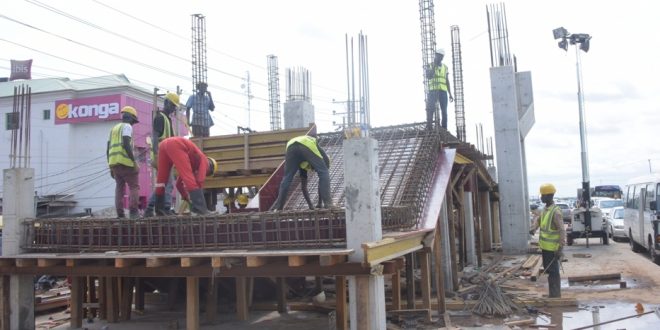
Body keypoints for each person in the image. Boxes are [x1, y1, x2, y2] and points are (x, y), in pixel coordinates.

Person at [154, 136, 219, 215]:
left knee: (161, 180)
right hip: (176, 144)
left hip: (163, 145)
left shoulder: (192, 163)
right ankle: (200, 209)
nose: (206, 174)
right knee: (189, 179)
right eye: (207, 174)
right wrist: (199, 200)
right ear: (210, 169)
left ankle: (159, 210)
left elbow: (178, 184)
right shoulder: (205, 161)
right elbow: (200, 180)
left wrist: (186, 197)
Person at [271, 134, 333, 211]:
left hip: (290, 146)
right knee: (323, 172)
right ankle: (329, 204)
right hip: (306, 144)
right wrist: (320, 204)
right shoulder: (323, 157)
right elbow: (323, 177)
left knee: (287, 177)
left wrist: (312, 205)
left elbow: (304, 187)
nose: (313, 170)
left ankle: (279, 208)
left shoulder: (303, 163)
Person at [144, 92, 178, 217]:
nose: (174, 108)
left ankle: (150, 209)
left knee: (162, 184)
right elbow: (154, 137)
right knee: (168, 183)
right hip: (161, 157)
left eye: (175, 106)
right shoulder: (160, 117)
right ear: (166, 103)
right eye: (173, 105)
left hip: (167, 157)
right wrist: (157, 155)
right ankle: (166, 207)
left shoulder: (168, 120)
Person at [529, 183, 566, 298]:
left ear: (549, 196)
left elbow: (561, 230)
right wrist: (533, 229)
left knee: (554, 272)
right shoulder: (545, 210)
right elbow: (539, 220)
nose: (541, 197)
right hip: (545, 248)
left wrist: (560, 248)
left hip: (553, 249)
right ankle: (553, 294)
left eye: (543, 195)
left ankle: (555, 295)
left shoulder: (555, 212)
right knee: (549, 270)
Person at [107, 106, 140, 219]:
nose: (133, 124)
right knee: (134, 186)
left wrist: (110, 166)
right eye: (133, 121)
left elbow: (108, 149)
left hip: (114, 164)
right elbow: (126, 144)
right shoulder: (127, 127)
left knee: (119, 188)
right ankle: (134, 212)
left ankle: (120, 214)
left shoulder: (113, 129)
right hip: (126, 163)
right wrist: (134, 161)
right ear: (130, 118)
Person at [425, 49, 454, 130]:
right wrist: (434, 66)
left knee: (444, 111)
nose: (439, 57)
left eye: (441, 56)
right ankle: (430, 128)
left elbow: (447, 81)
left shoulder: (445, 67)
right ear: (435, 55)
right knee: (431, 110)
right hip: (432, 91)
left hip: (443, 92)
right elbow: (429, 76)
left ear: (442, 57)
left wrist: (450, 94)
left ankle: (444, 128)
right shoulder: (430, 65)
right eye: (437, 55)